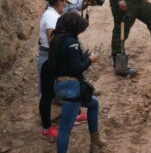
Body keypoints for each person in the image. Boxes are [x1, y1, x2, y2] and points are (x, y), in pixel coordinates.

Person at [46, 12, 107, 152]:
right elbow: (76, 68)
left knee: (94, 103)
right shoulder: (71, 43)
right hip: (71, 88)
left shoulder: (57, 39)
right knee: (65, 128)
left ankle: (95, 140)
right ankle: (93, 142)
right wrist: (91, 60)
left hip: (59, 85)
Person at [38, 0, 72, 139]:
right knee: (47, 94)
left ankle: (71, 114)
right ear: (59, 1)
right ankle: (46, 128)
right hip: (48, 58)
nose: (65, 6)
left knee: (50, 92)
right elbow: (53, 40)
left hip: (49, 56)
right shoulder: (51, 17)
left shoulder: (52, 14)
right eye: (64, 3)